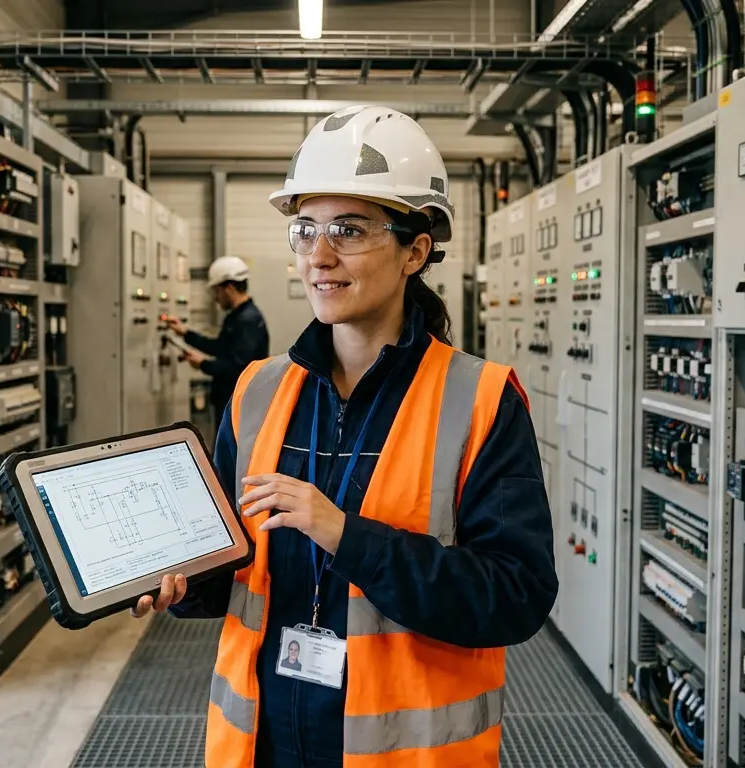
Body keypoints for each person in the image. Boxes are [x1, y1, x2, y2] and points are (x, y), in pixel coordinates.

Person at [133, 104, 557, 768]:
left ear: (416, 250)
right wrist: (182, 579)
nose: (319, 255)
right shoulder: (257, 390)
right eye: (305, 230)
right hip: (265, 739)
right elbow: (237, 564)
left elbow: (514, 596)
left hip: (403, 753)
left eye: (349, 230)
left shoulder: (481, 399)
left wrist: (344, 534)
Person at [165, 255, 270, 434]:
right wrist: (185, 333)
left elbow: (239, 368)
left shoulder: (247, 321)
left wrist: (203, 364)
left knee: (228, 455)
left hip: (237, 401)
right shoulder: (239, 316)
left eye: (217, 292)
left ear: (228, 288)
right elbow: (220, 348)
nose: (216, 298)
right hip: (231, 399)